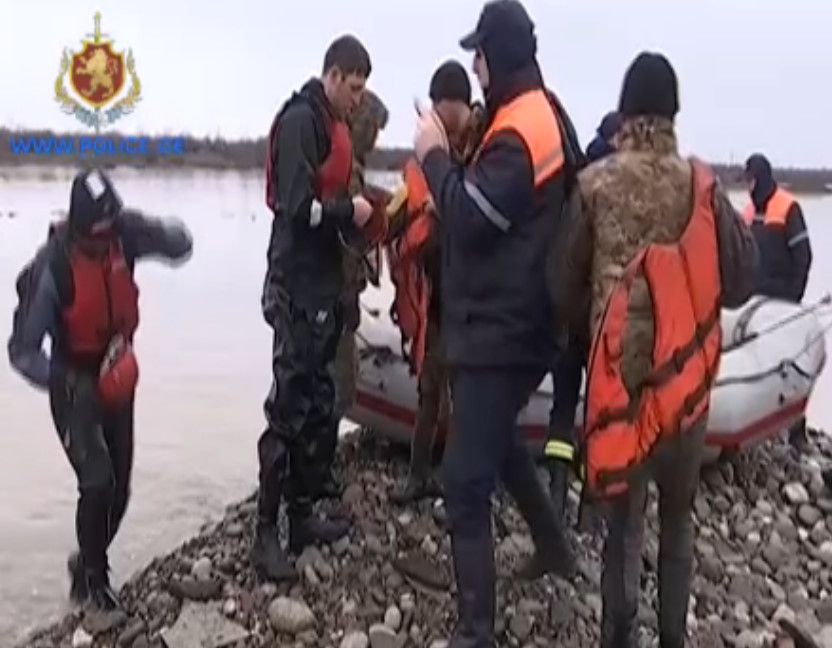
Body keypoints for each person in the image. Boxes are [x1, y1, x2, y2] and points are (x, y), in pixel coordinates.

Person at [554, 52, 758, 647]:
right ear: (673, 114)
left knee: (623, 529)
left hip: (619, 388)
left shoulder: (594, 185)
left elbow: (562, 288)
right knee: (677, 526)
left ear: (624, 113)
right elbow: (741, 280)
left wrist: (592, 330)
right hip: (685, 390)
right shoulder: (703, 187)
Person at [413, 2, 581, 644]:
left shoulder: (519, 129)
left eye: (478, 54)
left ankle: (476, 633)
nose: (475, 67)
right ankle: (554, 546)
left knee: (463, 481)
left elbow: (474, 217)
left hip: (505, 329)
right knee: (501, 441)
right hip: (520, 322)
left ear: (496, 56)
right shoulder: (537, 111)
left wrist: (433, 158)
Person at [7, 168, 193, 611]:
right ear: (79, 227)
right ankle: (94, 582)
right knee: (97, 481)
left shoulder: (124, 236)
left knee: (119, 489)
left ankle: (85, 559)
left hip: (118, 371)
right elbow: (22, 351)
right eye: (99, 230)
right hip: (74, 382)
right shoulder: (53, 266)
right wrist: (61, 380)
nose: (107, 236)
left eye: (112, 225)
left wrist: (149, 229)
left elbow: (182, 245)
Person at [255, 35, 387, 583]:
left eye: (362, 90)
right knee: (287, 409)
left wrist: (363, 217)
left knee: (319, 401)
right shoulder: (299, 123)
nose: (359, 100)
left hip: (325, 285)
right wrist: (347, 212)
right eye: (354, 88)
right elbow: (296, 207)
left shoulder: (333, 124)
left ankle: (303, 515)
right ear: (332, 75)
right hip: (295, 287)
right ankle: (266, 533)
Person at [388, 60, 474, 505]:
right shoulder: (424, 163)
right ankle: (419, 475)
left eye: (444, 110)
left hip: (470, 303)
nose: (438, 121)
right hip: (436, 298)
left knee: (464, 397)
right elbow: (403, 229)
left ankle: (459, 483)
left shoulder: (480, 153)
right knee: (429, 391)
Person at [322, 88, 390, 500]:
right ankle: (319, 474)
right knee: (338, 384)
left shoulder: (347, 164)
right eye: (374, 130)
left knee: (335, 381)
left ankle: (318, 468)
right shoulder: (344, 167)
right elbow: (343, 236)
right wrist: (347, 292)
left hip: (335, 293)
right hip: (335, 295)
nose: (376, 140)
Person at [742, 153, 813, 304]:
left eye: (750, 181)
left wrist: (794, 295)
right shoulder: (748, 212)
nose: (748, 187)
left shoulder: (789, 207)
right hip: (753, 299)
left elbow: (803, 256)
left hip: (782, 300)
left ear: (760, 180)